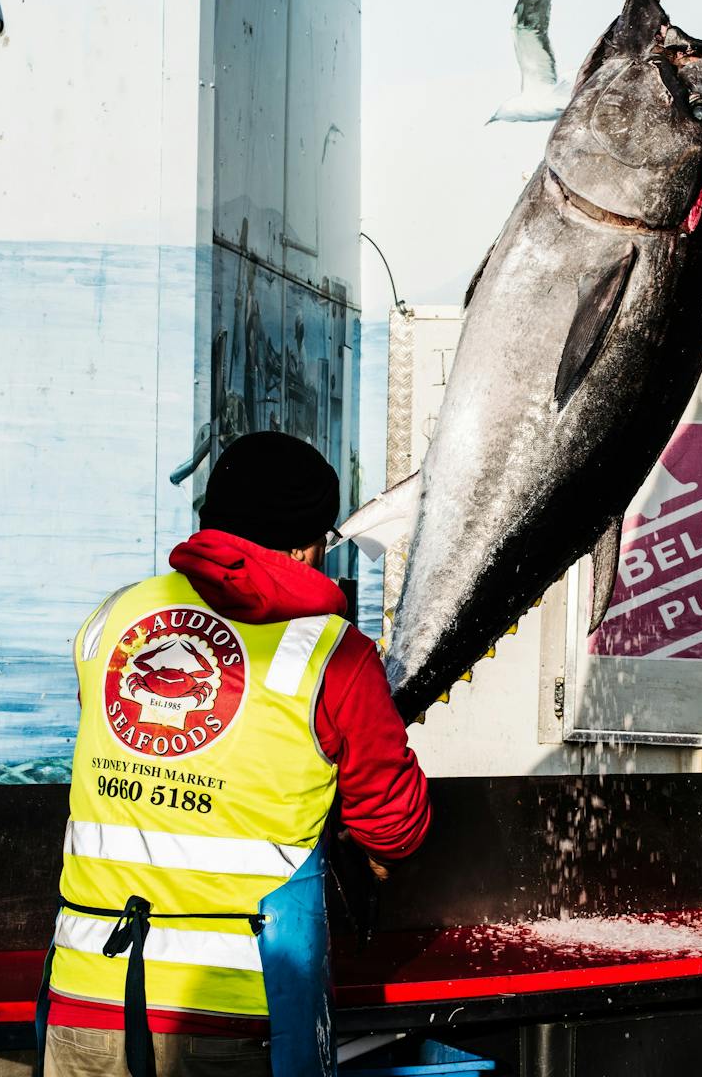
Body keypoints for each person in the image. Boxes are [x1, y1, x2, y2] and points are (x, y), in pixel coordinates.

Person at [40, 431, 430, 1077]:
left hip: (87, 1001)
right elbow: (394, 827)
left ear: (210, 524)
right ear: (308, 546)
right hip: (239, 1014)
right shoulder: (337, 657)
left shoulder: (111, 620)